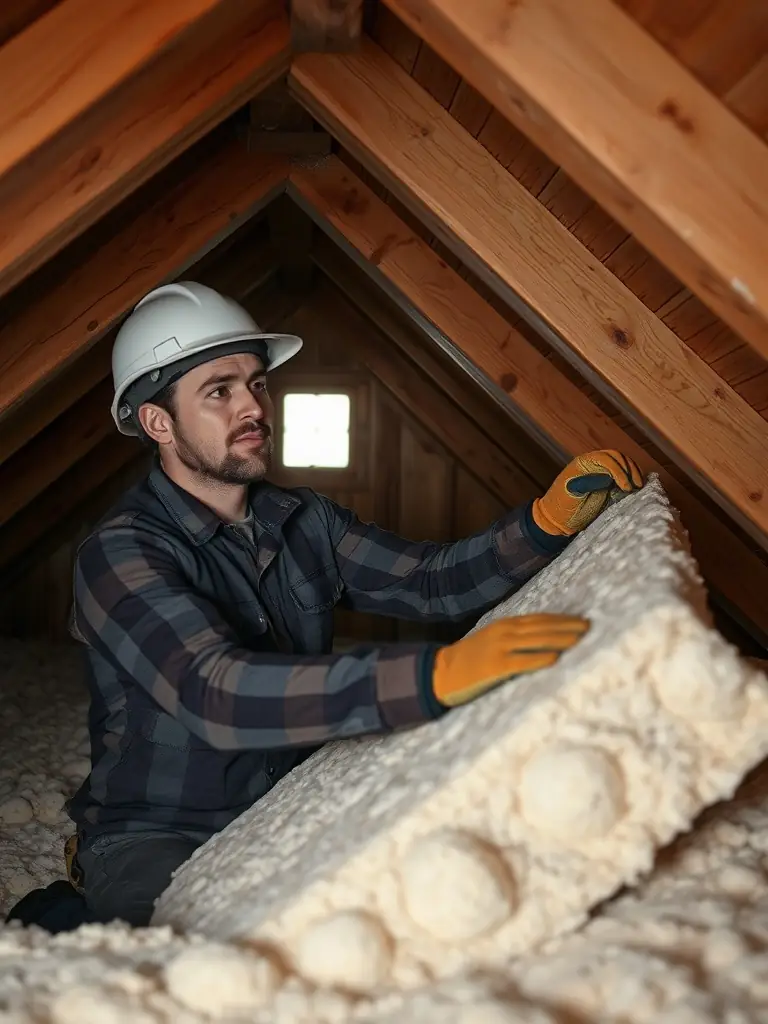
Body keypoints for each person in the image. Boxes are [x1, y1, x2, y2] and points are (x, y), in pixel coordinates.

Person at [63, 281, 643, 927]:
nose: (253, 406)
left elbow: (430, 583)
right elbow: (214, 692)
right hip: (157, 832)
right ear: (158, 422)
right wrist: (431, 677)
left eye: (257, 383)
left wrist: (543, 523)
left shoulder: (304, 520)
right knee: (190, 971)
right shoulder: (118, 554)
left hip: (285, 804)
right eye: (219, 390)